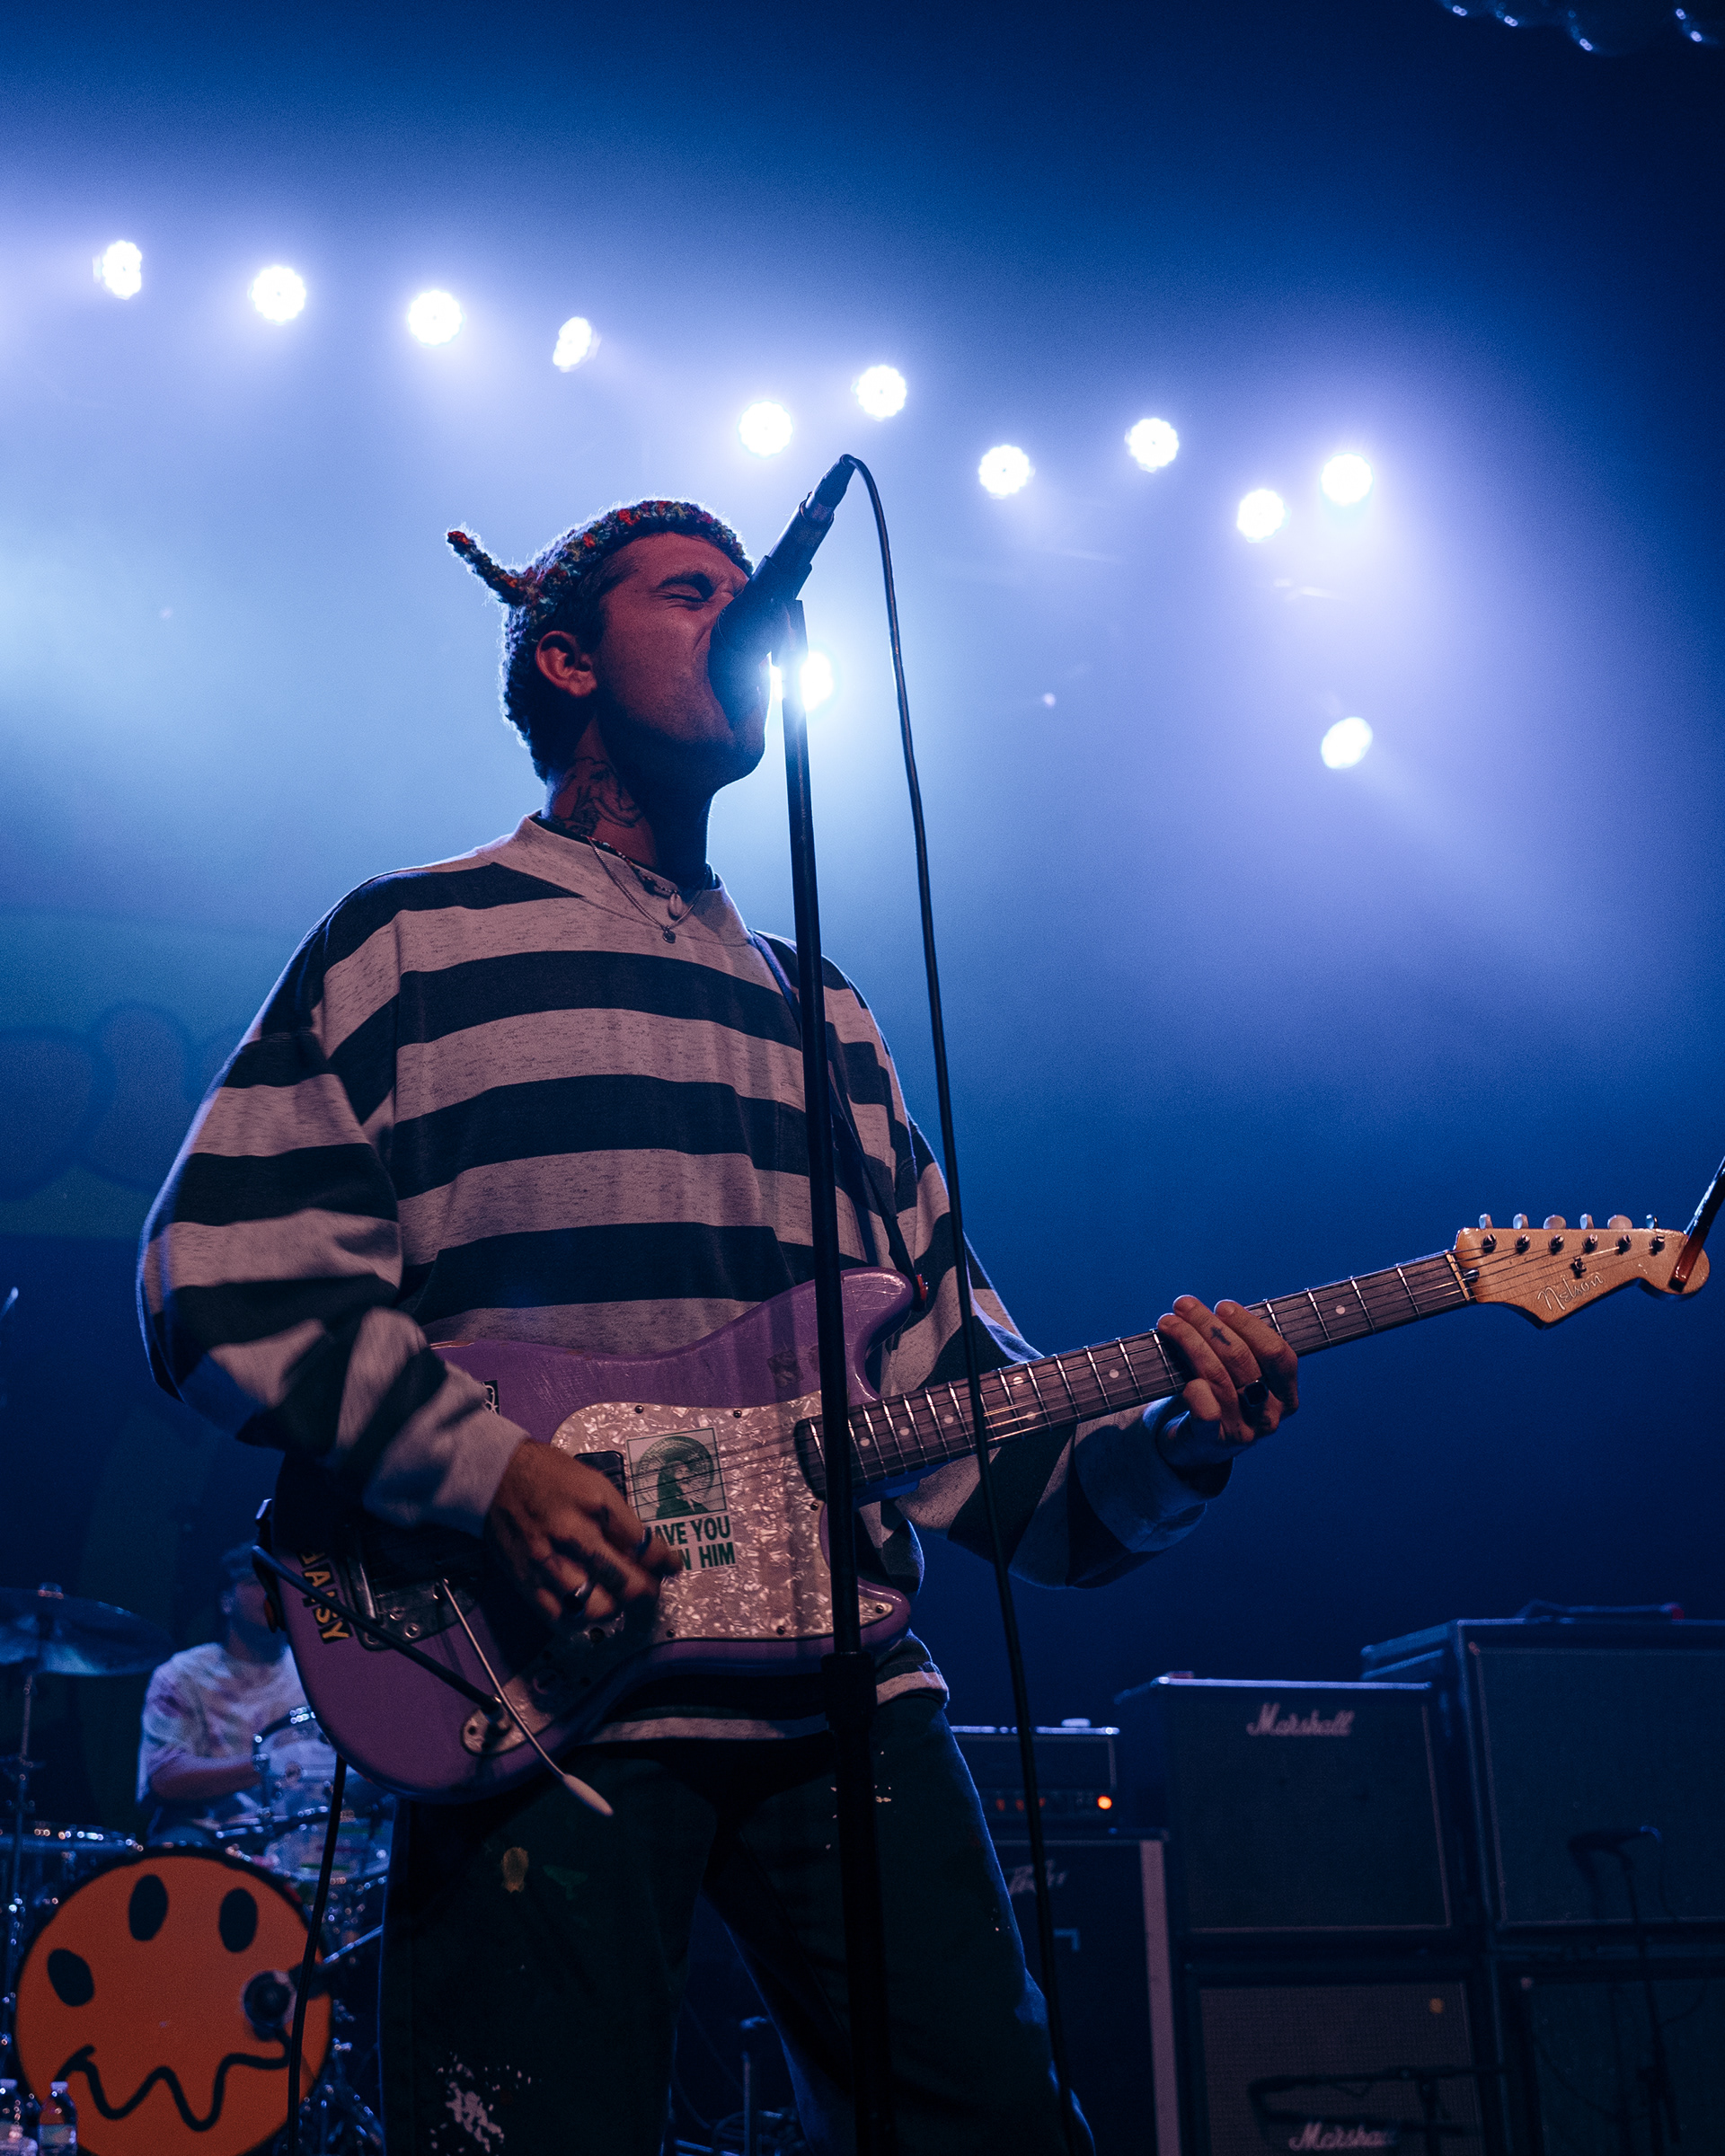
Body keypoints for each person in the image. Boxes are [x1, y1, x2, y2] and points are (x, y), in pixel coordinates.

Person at [138, 496, 1298, 2154]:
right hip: (530, 1697)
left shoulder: (826, 1016)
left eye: (755, 601)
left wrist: (1172, 1446)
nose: (745, 621)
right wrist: (486, 1470)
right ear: (565, 660)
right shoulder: (409, 943)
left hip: (843, 1697)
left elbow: (964, 1409)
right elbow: (220, 1273)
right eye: (692, 593)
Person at [136, 1542, 318, 1843]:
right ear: (226, 1602)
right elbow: (164, 1777)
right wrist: (270, 1763)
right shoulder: (181, 1674)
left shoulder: (316, 1674)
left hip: (300, 1835)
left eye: (281, 1583)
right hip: (206, 1834)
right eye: (255, 1582)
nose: (272, 1592)